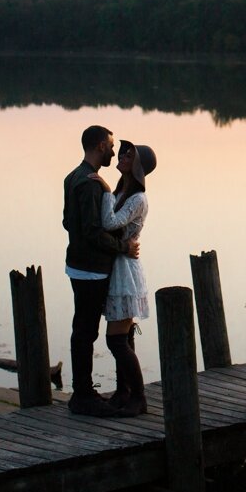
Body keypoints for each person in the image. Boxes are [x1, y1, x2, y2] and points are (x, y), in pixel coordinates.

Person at [61, 125, 139, 416]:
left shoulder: (72, 177)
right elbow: (94, 232)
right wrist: (123, 248)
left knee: (83, 328)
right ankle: (83, 395)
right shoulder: (92, 184)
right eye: (109, 145)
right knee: (86, 331)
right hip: (92, 270)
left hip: (77, 266)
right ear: (98, 147)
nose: (113, 150)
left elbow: (69, 223)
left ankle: (97, 391)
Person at [93, 140, 157, 417]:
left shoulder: (137, 198)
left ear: (139, 165)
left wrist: (104, 190)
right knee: (125, 336)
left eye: (129, 154)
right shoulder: (123, 192)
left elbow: (109, 223)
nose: (122, 155)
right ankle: (123, 392)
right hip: (117, 266)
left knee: (116, 340)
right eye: (123, 151)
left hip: (125, 272)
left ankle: (139, 397)